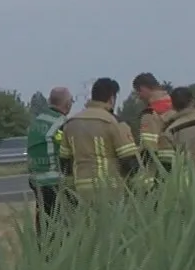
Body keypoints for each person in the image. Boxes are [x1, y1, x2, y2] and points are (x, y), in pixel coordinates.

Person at [54, 77, 143, 205]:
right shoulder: (114, 122)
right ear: (112, 98)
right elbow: (130, 160)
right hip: (109, 188)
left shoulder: (71, 123)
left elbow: (64, 161)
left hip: (80, 188)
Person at [26, 86, 73, 231]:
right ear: (67, 103)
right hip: (55, 182)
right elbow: (67, 149)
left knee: (43, 225)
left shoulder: (37, 122)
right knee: (60, 228)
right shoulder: (61, 123)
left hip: (36, 180)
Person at [132, 72, 176, 177]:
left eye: (138, 92)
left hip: (162, 168)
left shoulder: (150, 114)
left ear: (143, 89)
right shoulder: (177, 105)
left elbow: (149, 148)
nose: (139, 97)